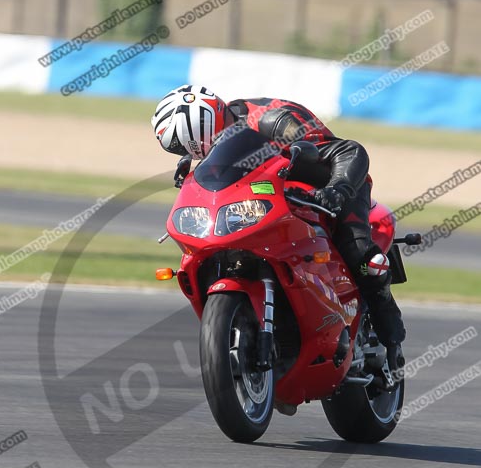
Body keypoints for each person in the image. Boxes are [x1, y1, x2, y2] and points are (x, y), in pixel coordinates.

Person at [151, 84, 405, 375]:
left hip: (331, 180)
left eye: (184, 145)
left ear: (199, 128)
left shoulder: (269, 119)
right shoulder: (221, 148)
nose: (186, 152)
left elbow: (350, 151)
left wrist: (338, 190)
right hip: (273, 191)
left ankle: (390, 335)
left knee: (358, 252)